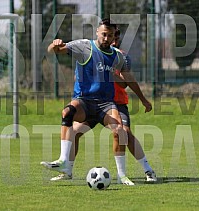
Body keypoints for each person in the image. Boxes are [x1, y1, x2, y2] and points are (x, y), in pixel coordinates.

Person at [50, 28, 157, 184]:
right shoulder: (92, 50)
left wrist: (112, 74)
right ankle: (67, 170)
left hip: (116, 103)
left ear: (117, 40)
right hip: (92, 103)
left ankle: (148, 170)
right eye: (107, 37)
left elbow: (125, 83)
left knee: (124, 132)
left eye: (114, 39)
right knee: (74, 132)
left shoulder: (121, 57)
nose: (110, 42)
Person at [41, 18, 135, 185]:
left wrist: (140, 96)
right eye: (104, 34)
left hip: (106, 105)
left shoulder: (117, 56)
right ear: (97, 32)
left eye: (110, 35)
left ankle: (122, 176)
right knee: (67, 112)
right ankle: (64, 162)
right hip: (84, 102)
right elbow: (55, 50)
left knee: (119, 131)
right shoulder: (84, 45)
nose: (107, 38)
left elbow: (127, 79)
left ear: (114, 37)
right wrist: (54, 45)